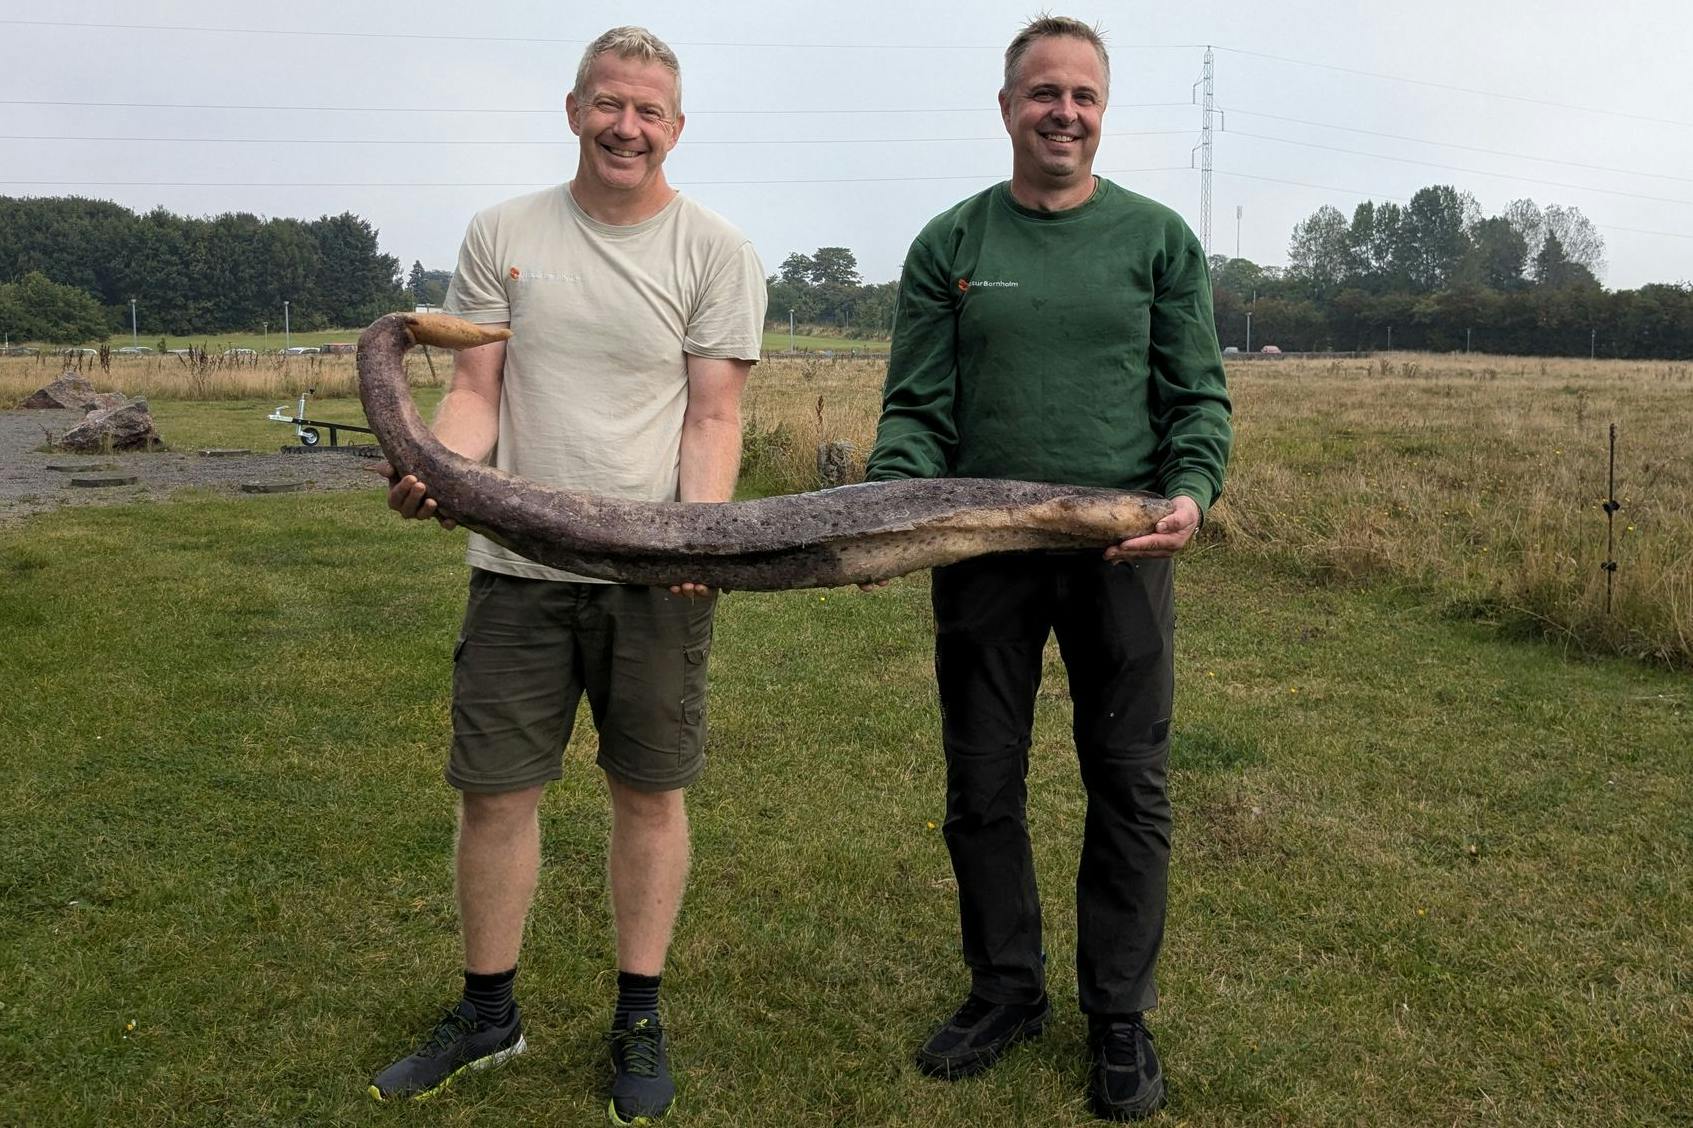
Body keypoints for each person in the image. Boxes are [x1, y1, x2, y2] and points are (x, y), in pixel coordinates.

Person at [366, 27, 766, 1126]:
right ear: (573, 108)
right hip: (516, 564)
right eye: (608, 103)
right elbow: (476, 392)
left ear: (674, 129)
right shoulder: (503, 235)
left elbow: (714, 413)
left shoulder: (715, 251)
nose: (625, 126)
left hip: (653, 574)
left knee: (649, 790)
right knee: (494, 792)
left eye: (647, 111)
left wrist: (699, 542)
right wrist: (434, 465)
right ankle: (488, 1010)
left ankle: (638, 1009)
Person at [863, 15, 1233, 1122]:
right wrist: (893, 502)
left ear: (1101, 111)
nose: (1061, 112)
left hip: (1119, 547)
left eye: (1081, 95)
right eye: (1041, 93)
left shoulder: (1158, 240)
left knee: (1128, 780)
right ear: (1007, 107)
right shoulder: (951, 244)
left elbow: (1196, 397)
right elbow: (917, 411)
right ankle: (1005, 989)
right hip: (979, 550)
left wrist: (1190, 493)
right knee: (982, 782)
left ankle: (1117, 1017)